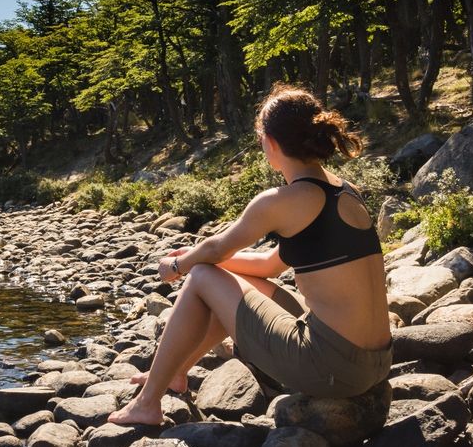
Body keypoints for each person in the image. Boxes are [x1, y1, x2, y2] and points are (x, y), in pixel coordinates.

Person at [109, 84, 393, 426]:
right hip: (376, 361)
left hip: (331, 368)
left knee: (201, 278)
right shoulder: (345, 190)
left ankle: (146, 404)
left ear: (271, 142)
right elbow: (268, 266)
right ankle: (175, 373)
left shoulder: (280, 201)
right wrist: (200, 257)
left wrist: (178, 265)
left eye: (261, 139)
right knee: (225, 278)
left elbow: (216, 248)